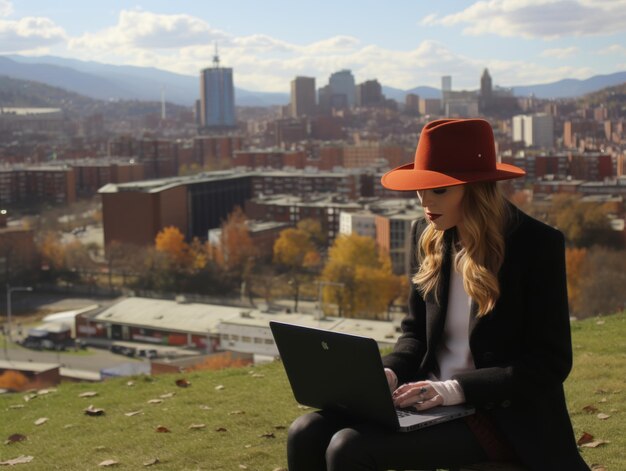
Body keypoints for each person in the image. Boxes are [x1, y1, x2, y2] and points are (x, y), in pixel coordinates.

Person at [287, 119, 590, 471]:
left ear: (475, 187)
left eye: (439, 190)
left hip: (498, 414)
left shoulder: (535, 244)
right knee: (305, 431)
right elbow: (415, 335)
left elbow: (549, 364)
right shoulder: (427, 234)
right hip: (425, 398)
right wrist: (386, 374)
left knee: (348, 447)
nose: (425, 202)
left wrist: (453, 390)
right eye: (421, 189)